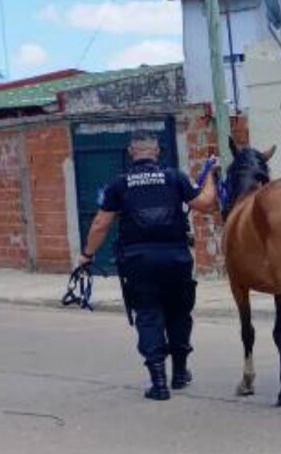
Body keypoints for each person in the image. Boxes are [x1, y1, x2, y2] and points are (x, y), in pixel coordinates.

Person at [80, 130, 218, 400]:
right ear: (157, 152)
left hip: (139, 262)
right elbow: (206, 204)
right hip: (176, 259)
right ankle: (180, 374)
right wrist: (210, 173)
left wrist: (87, 255)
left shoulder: (119, 185)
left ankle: (159, 383)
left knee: (149, 316)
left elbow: (100, 224)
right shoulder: (174, 177)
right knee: (179, 314)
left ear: (131, 153)